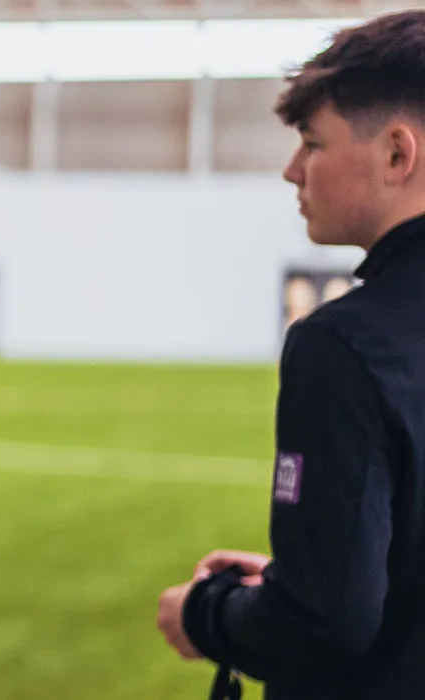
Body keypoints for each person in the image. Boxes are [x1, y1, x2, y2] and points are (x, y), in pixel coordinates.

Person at [156, 11, 425, 698]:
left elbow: (323, 623)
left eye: (312, 143)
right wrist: (312, 567)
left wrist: (206, 613)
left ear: (398, 154)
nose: (291, 170)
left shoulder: (342, 345)